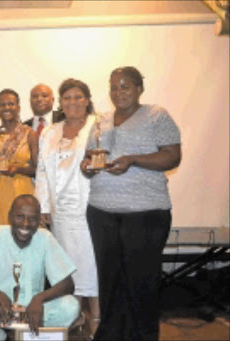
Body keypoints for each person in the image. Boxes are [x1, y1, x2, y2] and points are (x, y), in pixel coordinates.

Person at [80, 66, 181, 340]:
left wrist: (133, 159)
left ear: (139, 88)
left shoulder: (156, 115)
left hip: (145, 214)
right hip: (101, 212)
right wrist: (87, 166)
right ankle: (110, 335)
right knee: (110, 280)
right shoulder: (101, 119)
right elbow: (90, 156)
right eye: (113, 87)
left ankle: (143, 336)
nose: (118, 92)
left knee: (141, 283)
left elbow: (172, 157)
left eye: (125, 86)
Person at [0, 194, 80, 341]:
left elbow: (67, 284)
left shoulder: (45, 238)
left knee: (70, 306)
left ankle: (31, 337)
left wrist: (39, 299)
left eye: (33, 218)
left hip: (32, 311)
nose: (26, 224)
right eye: (20, 216)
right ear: (9, 216)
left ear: (39, 220)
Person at [35, 78, 100, 338]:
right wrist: (42, 204)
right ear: (61, 103)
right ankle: (74, 314)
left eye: (78, 96)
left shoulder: (98, 126)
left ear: (87, 99)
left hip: (89, 208)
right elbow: (41, 169)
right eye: (67, 97)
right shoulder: (51, 131)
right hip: (59, 211)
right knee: (66, 265)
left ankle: (95, 316)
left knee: (90, 264)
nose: (72, 102)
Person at [0, 89, 38, 228]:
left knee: (23, 235)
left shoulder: (29, 134)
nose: (6, 108)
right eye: (2, 105)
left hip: (21, 191)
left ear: (18, 107)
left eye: (10, 104)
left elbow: (37, 169)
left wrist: (18, 169)